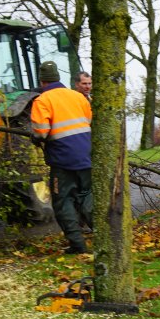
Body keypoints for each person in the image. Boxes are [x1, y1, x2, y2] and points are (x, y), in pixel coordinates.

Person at [31, 61, 93, 254]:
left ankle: (77, 245)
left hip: (62, 160)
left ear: (42, 80)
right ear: (58, 78)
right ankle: (106, 237)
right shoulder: (78, 97)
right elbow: (88, 122)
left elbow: (41, 132)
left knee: (63, 201)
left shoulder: (42, 101)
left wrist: (35, 137)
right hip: (86, 156)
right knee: (86, 196)